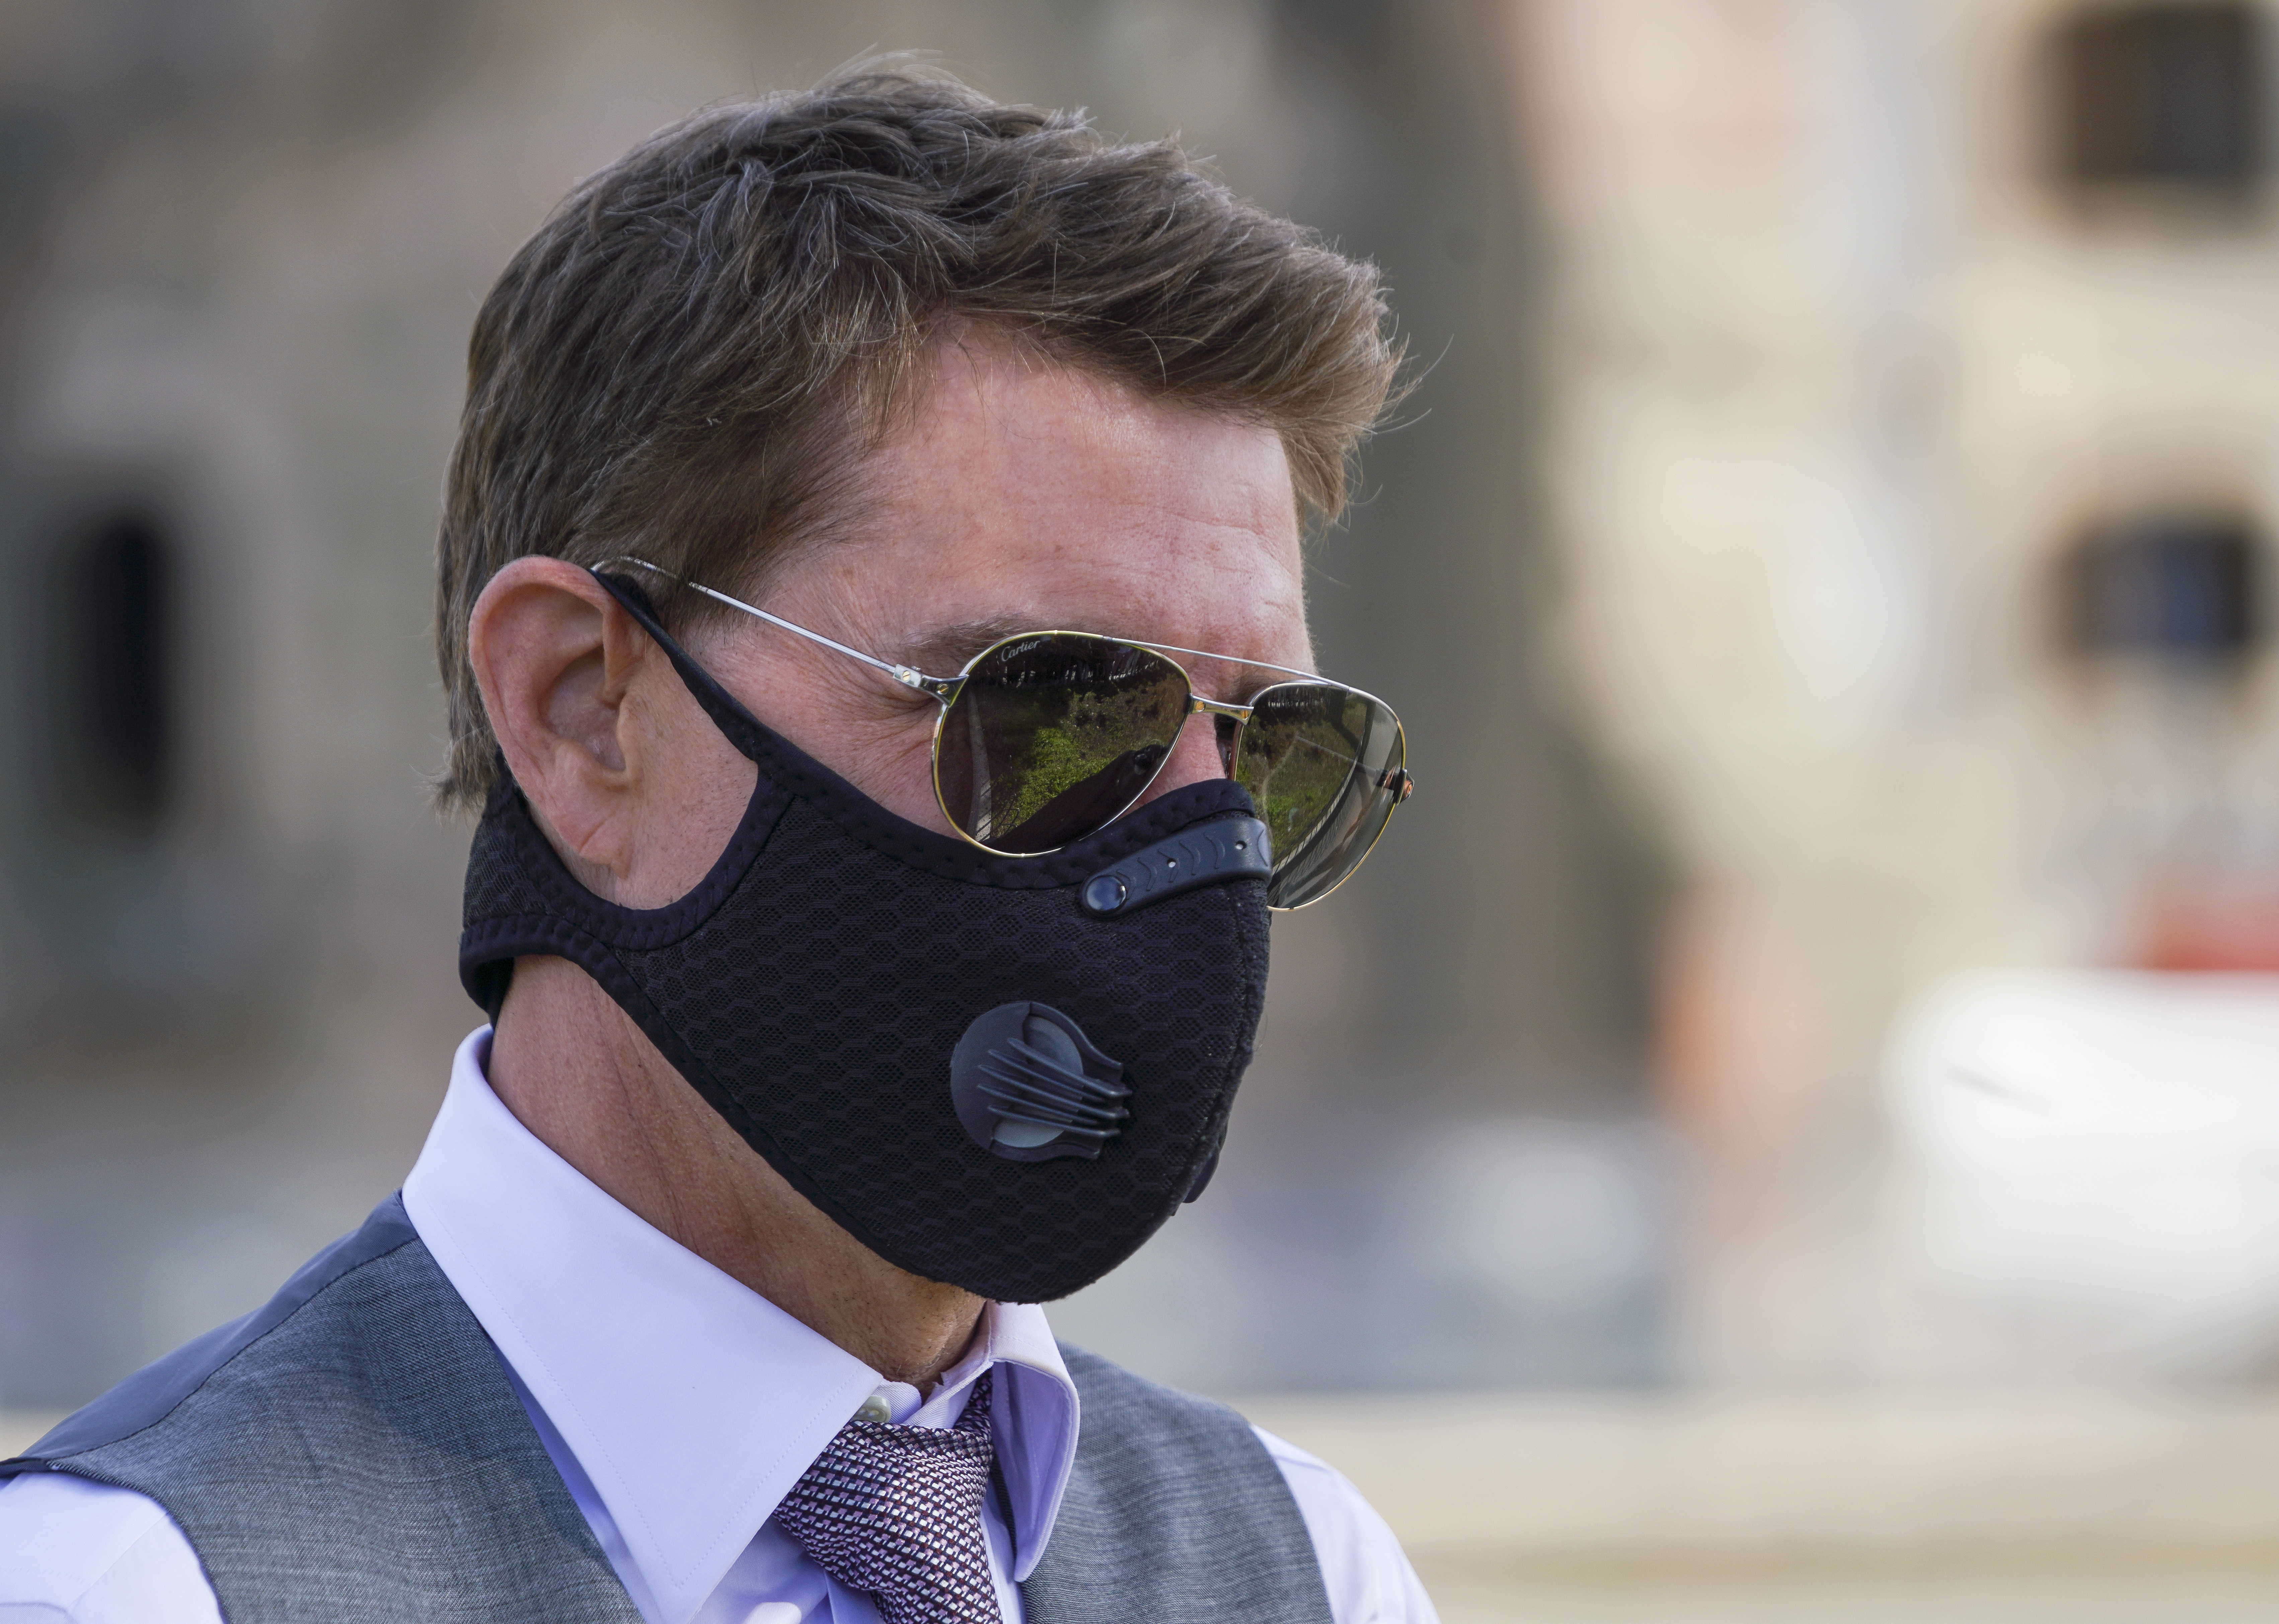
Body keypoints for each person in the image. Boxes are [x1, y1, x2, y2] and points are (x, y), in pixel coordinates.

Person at [0, 65, 1433, 1624]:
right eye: (1051, 706)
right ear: (580, 711)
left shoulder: (1307, 1568)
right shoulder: (132, 1592)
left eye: (1277, 749)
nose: (1195, 853)